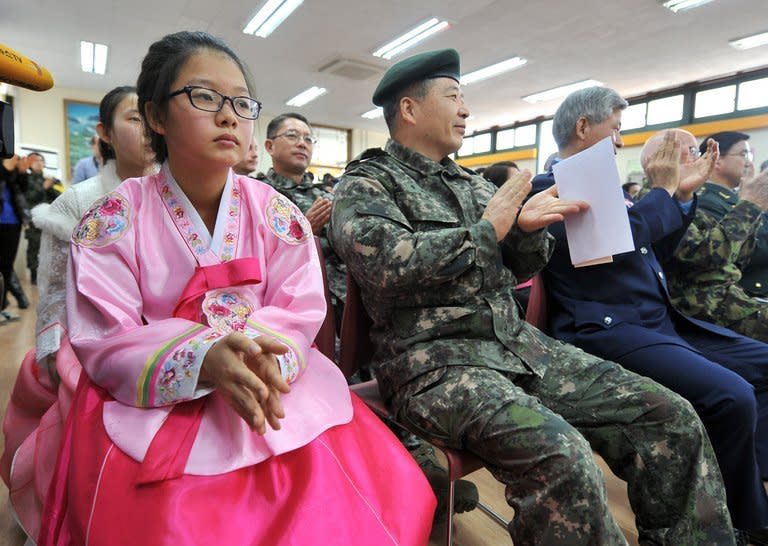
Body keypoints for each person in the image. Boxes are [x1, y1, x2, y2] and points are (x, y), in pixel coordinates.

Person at [37, 31, 435, 546]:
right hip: (157, 389)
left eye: (242, 103)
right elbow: (104, 332)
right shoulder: (113, 218)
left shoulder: (274, 211)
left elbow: (299, 305)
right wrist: (201, 356)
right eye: (204, 97)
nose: (229, 116)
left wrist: (260, 353)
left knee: (340, 502)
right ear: (156, 116)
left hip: (267, 368)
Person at [329, 48, 734, 545]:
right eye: (453, 97)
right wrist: (488, 229)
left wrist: (522, 231)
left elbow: (521, 266)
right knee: (562, 455)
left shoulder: (472, 183)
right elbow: (387, 268)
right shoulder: (368, 183)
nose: (466, 110)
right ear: (409, 110)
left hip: (519, 348)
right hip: (437, 366)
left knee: (670, 416)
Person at [531, 86, 768, 543]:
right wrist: (663, 190)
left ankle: (741, 486)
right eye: (615, 129)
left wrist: (680, 196)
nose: (621, 142)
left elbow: (653, 248)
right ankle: (744, 521)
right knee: (732, 396)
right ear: (583, 127)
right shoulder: (551, 190)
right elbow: (615, 246)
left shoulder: (607, 191)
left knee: (761, 367)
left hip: (657, 322)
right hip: (610, 329)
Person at [0, 85, 156, 543]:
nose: (147, 130)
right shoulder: (79, 201)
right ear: (105, 132)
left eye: (153, 117)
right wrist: (57, 362)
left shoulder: (174, 194)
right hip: (91, 348)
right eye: (134, 118)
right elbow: (53, 297)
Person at [645, 129, 768, 343]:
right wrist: (750, 204)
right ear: (658, 159)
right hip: (706, 309)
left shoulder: (687, 199)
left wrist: (750, 204)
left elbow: (738, 258)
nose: (701, 158)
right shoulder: (654, 201)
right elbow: (709, 255)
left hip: (730, 300)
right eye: (692, 150)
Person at [259, 113, 346, 326]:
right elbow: (254, 253)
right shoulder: (259, 195)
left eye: (308, 139)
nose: (302, 144)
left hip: (342, 299)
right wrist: (302, 232)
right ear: (270, 146)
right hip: (290, 304)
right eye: (292, 136)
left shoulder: (324, 195)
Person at [692, 132, 768, 299]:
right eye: (743, 154)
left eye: (750, 154)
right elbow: (734, 254)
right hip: (745, 292)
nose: (749, 161)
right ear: (717, 159)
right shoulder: (706, 200)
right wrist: (753, 202)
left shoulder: (739, 198)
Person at [23, 152, 62, 284]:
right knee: (34, 247)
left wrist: (51, 186)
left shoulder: (51, 179)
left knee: (51, 247)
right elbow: (28, 198)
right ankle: (34, 275)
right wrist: (43, 187)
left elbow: (60, 197)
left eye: (40, 160)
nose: (38, 163)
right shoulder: (25, 179)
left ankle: (51, 275)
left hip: (50, 220)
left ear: (44, 163)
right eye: (34, 160)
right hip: (33, 221)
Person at [0, 155, 30, 321]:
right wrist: (6, 168)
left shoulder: (11, 165)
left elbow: (23, 189)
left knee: (6, 265)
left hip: (13, 221)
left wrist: (22, 172)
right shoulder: (4, 166)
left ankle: (2, 305)